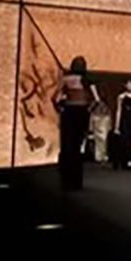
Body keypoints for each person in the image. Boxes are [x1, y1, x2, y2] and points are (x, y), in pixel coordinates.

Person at [52, 56, 99, 190]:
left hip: (69, 112)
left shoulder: (66, 79)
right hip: (82, 113)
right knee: (77, 147)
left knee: (67, 146)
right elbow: (97, 100)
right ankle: (77, 181)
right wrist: (88, 111)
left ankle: (66, 180)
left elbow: (54, 98)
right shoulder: (88, 81)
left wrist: (60, 109)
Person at [113, 80, 131, 169]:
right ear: (125, 86)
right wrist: (116, 124)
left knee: (130, 140)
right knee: (123, 140)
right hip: (124, 120)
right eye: (128, 85)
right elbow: (119, 110)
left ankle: (129, 159)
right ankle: (123, 160)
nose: (130, 86)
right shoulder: (121, 96)